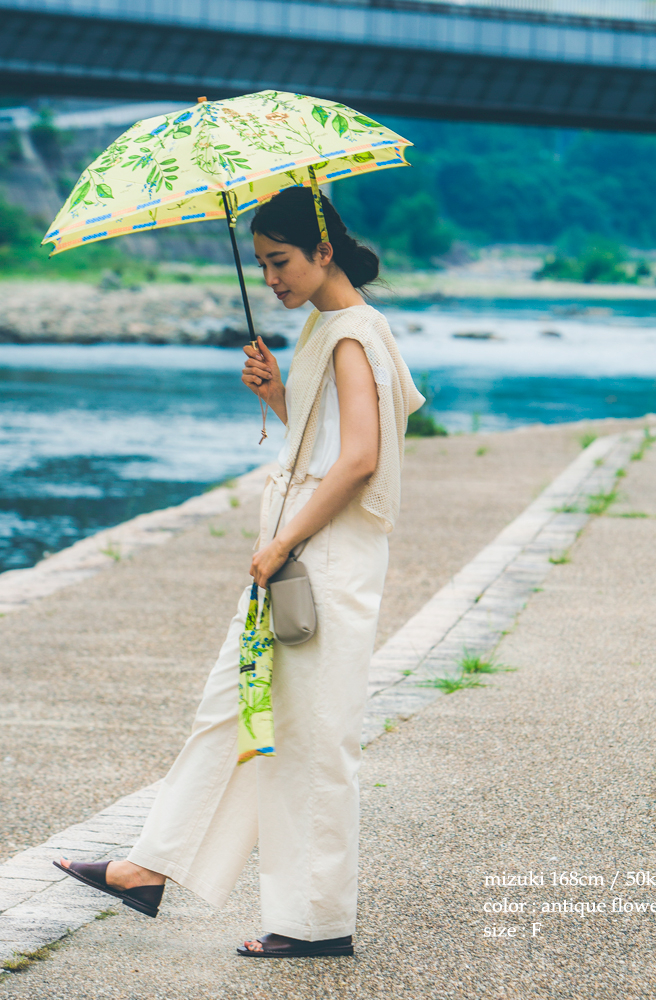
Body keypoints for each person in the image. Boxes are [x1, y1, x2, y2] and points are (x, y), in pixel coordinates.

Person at [55, 185, 424, 958]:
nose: (271, 280)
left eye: (280, 261)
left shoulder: (354, 334)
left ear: (324, 250)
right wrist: (282, 397)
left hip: (317, 558)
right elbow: (330, 442)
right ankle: (147, 868)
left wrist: (281, 540)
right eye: (261, 266)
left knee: (313, 742)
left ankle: (315, 924)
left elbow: (361, 459)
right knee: (232, 710)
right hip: (301, 556)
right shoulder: (333, 328)